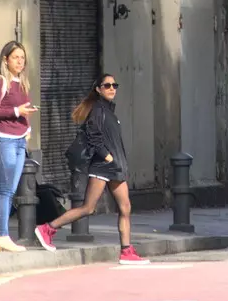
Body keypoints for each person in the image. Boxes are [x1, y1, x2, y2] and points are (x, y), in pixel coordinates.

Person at [33, 74, 146, 264]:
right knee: (88, 207)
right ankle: (47, 229)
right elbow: (93, 136)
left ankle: (127, 251)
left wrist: (117, 162)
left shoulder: (109, 112)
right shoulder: (98, 110)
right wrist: (107, 156)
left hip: (116, 168)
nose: (112, 88)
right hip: (103, 167)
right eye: (107, 85)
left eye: (114, 85)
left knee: (125, 207)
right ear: (98, 89)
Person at [0, 41, 39, 253]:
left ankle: (3, 234)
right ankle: (1, 235)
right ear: (5, 59)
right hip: (3, 140)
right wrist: (16, 112)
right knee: (4, 189)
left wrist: (27, 126)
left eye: (22, 58)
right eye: (16, 57)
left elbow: (23, 109)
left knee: (10, 190)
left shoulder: (21, 82)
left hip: (18, 141)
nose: (20, 62)